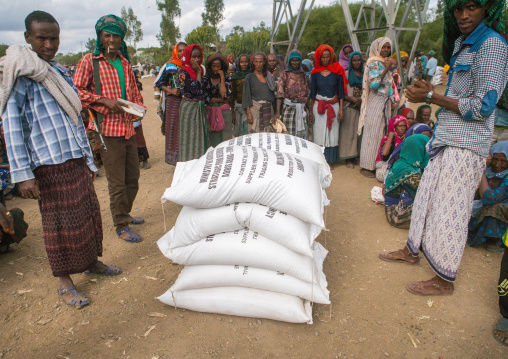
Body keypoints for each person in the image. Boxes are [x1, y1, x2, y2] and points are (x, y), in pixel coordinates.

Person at [379, 0, 508, 296]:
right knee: (425, 198)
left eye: (472, 7)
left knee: (452, 210)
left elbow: (483, 106)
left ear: (486, 9)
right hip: (446, 137)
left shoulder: (493, 45)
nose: (463, 15)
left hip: (466, 145)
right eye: (458, 9)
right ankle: (412, 251)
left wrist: (431, 98)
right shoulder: (464, 42)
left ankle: (444, 280)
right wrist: (427, 93)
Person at [1, 11, 122, 308]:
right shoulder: (21, 74)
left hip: (75, 158)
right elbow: (13, 125)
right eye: (41, 37)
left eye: (53, 37)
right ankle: (64, 281)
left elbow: (73, 117)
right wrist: (23, 174)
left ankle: (92, 261)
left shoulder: (56, 71)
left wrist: (87, 157)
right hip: (48, 164)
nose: (49, 43)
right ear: (28, 38)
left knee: (87, 215)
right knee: (59, 226)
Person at [74, 14, 146, 244]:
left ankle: (125, 213)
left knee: (132, 178)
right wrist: (104, 100)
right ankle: (121, 225)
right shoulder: (90, 61)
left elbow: (134, 94)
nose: (112, 39)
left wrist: (139, 108)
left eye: (117, 35)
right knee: (117, 181)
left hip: (127, 128)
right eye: (108, 35)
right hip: (107, 130)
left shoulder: (125, 63)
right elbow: (76, 91)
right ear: (100, 37)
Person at [358, 37, 395, 178]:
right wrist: (386, 69)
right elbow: (373, 85)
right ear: (377, 48)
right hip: (375, 101)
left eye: (388, 47)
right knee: (372, 132)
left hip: (384, 102)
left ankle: (377, 164)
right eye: (384, 47)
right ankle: (367, 166)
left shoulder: (386, 62)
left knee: (381, 133)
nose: (386, 50)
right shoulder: (374, 63)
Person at [309, 44, 346, 169]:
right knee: (318, 133)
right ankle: (320, 160)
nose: (325, 60)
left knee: (332, 133)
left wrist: (341, 109)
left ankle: (329, 161)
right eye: (323, 57)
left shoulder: (337, 71)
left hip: (333, 106)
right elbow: (312, 94)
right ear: (319, 58)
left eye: (327, 57)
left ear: (331, 57)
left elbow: (341, 92)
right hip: (319, 106)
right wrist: (310, 112)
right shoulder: (315, 73)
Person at [468, 142, 508, 250]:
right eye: (495, 159)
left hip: (501, 209)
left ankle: (496, 241)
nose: (497, 164)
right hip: (484, 204)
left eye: (503, 161)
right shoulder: (490, 172)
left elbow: (488, 199)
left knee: (495, 208)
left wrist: (482, 172)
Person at [384, 134, 430, 228]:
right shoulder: (411, 173)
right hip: (397, 215)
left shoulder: (400, 163)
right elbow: (425, 195)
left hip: (390, 210)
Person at [155, 42, 186, 165]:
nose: (182, 53)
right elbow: (158, 83)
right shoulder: (170, 66)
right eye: (180, 50)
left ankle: (187, 159)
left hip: (187, 102)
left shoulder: (192, 65)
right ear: (175, 52)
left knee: (186, 130)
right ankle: (175, 161)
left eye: (185, 50)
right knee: (173, 129)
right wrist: (171, 90)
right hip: (173, 103)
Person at [177, 44, 209, 161]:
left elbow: (203, 93)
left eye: (199, 57)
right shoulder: (183, 73)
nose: (196, 60)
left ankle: (199, 164)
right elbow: (197, 91)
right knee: (189, 138)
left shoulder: (200, 71)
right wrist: (198, 73)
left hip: (199, 108)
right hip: (189, 109)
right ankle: (188, 164)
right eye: (193, 57)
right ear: (188, 56)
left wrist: (199, 72)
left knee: (200, 136)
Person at [274, 49, 310, 139]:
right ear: (289, 61)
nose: (294, 63)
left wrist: (310, 111)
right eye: (292, 60)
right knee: (288, 137)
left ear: (300, 61)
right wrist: (278, 112)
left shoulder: (303, 75)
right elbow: (280, 95)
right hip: (288, 109)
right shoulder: (284, 75)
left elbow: (306, 94)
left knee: (301, 138)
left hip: (301, 110)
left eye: (297, 60)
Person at [203, 53, 233, 147]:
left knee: (226, 137)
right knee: (212, 138)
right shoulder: (206, 79)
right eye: (213, 66)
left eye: (218, 66)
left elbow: (225, 95)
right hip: (210, 112)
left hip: (224, 112)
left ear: (222, 66)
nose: (216, 68)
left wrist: (222, 78)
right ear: (210, 67)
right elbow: (206, 98)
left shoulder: (227, 78)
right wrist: (221, 100)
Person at [243, 53, 276, 133]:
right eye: (256, 62)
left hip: (269, 109)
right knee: (255, 136)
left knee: (268, 136)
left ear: (264, 62)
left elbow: (273, 94)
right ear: (253, 63)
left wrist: (275, 113)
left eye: (260, 62)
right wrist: (248, 114)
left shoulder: (269, 77)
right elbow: (246, 95)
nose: (258, 64)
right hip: (255, 110)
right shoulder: (249, 77)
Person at [341, 51, 364, 168]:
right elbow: (340, 92)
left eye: (358, 60)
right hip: (349, 106)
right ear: (350, 61)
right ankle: (347, 158)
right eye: (354, 60)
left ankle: (355, 156)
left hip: (361, 107)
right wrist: (351, 98)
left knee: (358, 134)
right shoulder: (345, 74)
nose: (356, 62)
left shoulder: (364, 74)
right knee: (348, 133)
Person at [375, 115, 408, 182]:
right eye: (399, 126)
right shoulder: (387, 138)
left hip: (400, 165)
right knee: (382, 176)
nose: (402, 128)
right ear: (394, 127)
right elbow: (384, 153)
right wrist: (390, 136)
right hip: (386, 164)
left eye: (404, 126)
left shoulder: (408, 137)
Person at [133, 70, 150, 169]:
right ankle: (135, 161)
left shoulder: (135, 86)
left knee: (139, 138)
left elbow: (139, 99)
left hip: (134, 113)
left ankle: (144, 159)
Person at [230, 54, 250, 137]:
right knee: (238, 134)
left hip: (249, 108)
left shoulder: (251, 75)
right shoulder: (235, 77)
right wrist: (232, 113)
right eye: (242, 62)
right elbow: (233, 95)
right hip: (238, 107)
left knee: (248, 132)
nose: (244, 64)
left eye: (246, 62)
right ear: (238, 63)